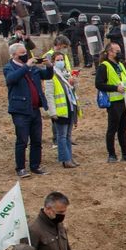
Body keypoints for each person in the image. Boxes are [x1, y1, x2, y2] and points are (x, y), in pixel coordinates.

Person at [3, 42, 51, 178]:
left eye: (26, 52)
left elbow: (47, 75)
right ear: (13, 55)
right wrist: (26, 66)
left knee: (37, 140)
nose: (26, 55)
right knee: (22, 140)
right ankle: (21, 168)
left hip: (35, 109)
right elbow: (11, 79)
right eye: (22, 53)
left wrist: (49, 66)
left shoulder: (33, 68)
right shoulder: (9, 68)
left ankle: (35, 165)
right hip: (20, 110)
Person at [94, 41, 126, 162]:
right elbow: (98, 84)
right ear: (109, 52)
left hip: (125, 100)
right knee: (112, 129)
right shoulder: (104, 66)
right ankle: (111, 154)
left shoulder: (121, 65)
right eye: (116, 51)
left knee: (123, 128)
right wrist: (115, 88)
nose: (119, 53)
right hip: (114, 102)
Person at [45, 38, 82, 168]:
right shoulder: (51, 76)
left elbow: (71, 91)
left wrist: (73, 82)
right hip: (60, 110)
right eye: (58, 60)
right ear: (53, 62)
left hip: (70, 107)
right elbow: (49, 95)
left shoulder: (65, 74)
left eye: (62, 60)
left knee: (68, 135)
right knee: (61, 136)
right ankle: (65, 159)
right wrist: (52, 112)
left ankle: (69, 157)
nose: (61, 62)